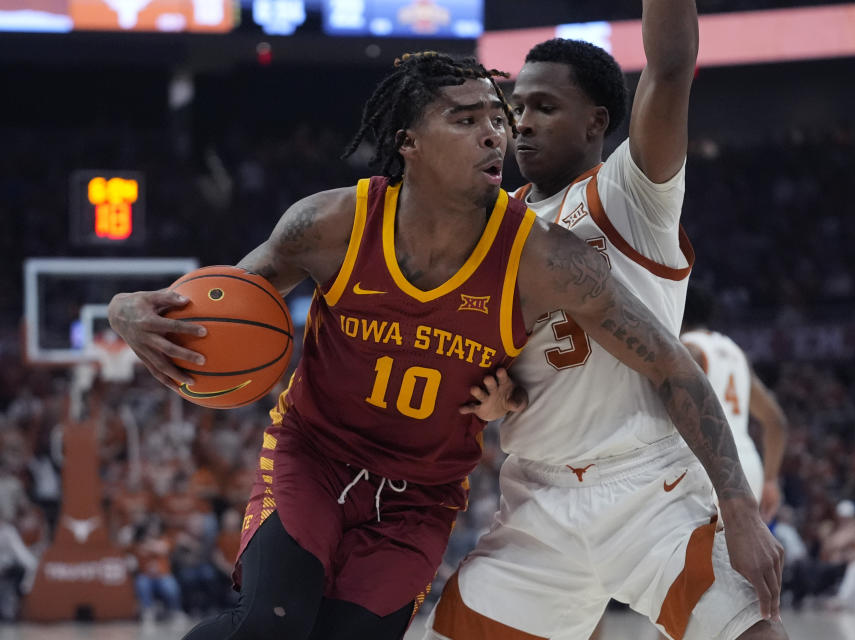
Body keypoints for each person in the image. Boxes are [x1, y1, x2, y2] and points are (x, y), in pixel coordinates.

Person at [109, 51, 774, 640]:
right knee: (271, 624)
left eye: (497, 116)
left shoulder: (543, 259)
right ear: (409, 143)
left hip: (419, 495)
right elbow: (220, 303)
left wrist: (739, 505)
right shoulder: (330, 224)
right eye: (466, 119)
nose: (496, 130)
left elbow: (668, 363)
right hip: (315, 457)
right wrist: (127, 309)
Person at [422, 3, 786, 639]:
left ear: (597, 121)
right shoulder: (489, 225)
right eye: (516, 107)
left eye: (544, 107)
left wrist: (741, 506)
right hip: (536, 498)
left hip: (649, 488)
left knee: (751, 631)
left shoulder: (630, 193)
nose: (521, 123)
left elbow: (671, 67)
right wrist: (491, 394)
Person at [680, 285, 789, 521]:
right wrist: (770, 480)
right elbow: (776, 421)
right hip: (749, 465)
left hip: (709, 466)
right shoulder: (735, 351)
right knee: (730, 557)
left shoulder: (685, 349)